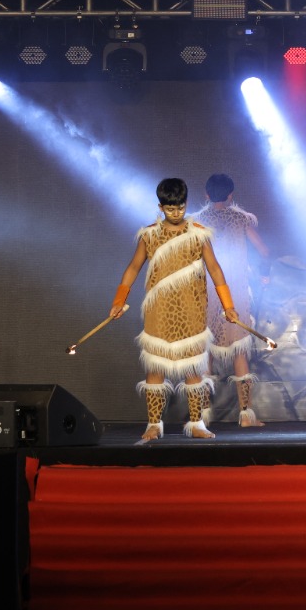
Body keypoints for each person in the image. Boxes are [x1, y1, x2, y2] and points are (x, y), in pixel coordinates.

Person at [109, 177, 239, 443]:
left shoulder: (199, 233)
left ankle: (197, 423)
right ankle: (154, 424)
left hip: (192, 308)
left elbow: (214, 269)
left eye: (180, 207)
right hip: (159, 310)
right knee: (156, 366)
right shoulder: (149, 235)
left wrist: (229, 306)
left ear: (186, 203)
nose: (176, 213)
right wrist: (119, 300)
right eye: (170, 208)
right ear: (160, 207)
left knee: (193, 368)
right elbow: (133, 267)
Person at [194, 173, 272, 428]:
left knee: (206, 351)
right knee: (239, 350)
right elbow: (264, 251)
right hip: (234, 289)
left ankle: (202, 416)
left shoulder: (197, 222)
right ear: (230, 195)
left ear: (206, 195)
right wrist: (262, 275)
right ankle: (246, 415)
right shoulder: (240, 219)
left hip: (206, 288)